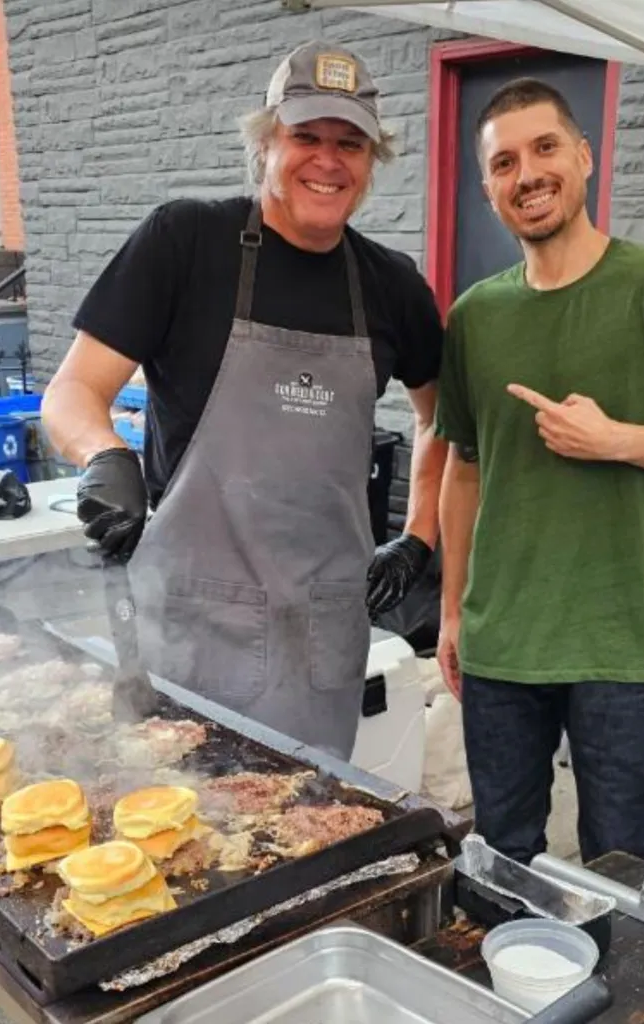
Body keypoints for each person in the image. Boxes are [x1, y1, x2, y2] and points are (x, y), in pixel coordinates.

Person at [42, 40, 447, 761]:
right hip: (189, 624)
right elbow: (74, 389)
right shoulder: (186, 243)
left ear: (371, 161)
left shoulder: (390, 286)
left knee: (307, 831)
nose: (328, 161)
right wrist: (102, 456)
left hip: (322, 632)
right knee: (174, 834)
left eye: (350, 143)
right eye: (306, 136)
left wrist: (417, 538)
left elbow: (443, 416)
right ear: (266, 141)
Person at [434, 78, 644, 866]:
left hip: (618, 642)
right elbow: (465, 469)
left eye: (546, 148)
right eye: (505, 162)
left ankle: (608, 992)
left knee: (619, 856)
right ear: (488, 188)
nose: (528, 174)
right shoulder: (476, 315)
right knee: (502, 851)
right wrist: (451, 611)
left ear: (583, 157)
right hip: (502, 641)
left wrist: (615, 438)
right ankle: (510, 986)